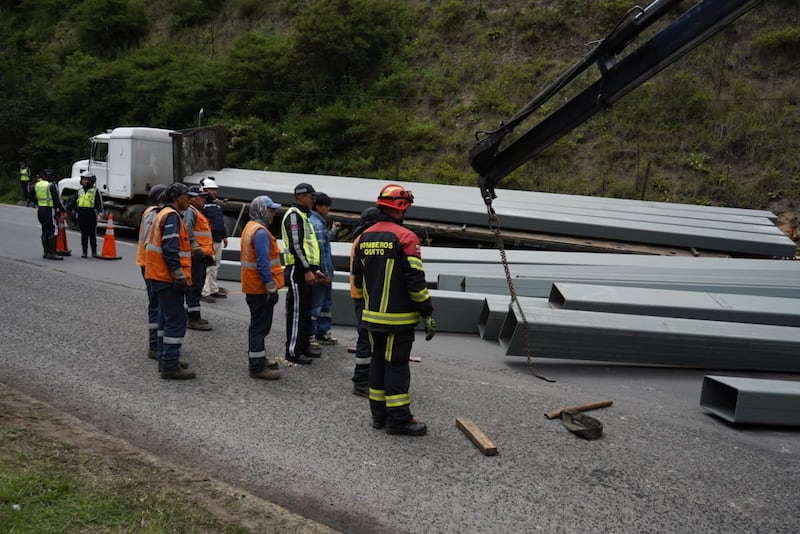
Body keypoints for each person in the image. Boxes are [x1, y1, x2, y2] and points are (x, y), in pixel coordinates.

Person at [352, 184, 436, 436]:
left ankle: (379, 417)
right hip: (398, 321)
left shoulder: (363, 238)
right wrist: (427, 312)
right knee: (397, 366)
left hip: (370, 317)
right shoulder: (407, 238)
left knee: (377, 363)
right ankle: (398, 420)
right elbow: (415, 282)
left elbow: (358, 279)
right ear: (401, 208)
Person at [144, 182, 195, 380]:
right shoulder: (172, 216)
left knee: (166, 317)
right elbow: (170, 248)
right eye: (187, 196)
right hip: (167, 277)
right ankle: (170, 365)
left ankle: (166, 359)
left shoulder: (164, 213)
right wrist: (179, 275)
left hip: (159, 276)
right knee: (176, 320)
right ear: (177, 198)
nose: (189, 200)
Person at [281, 182, 326, 365]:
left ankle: (303, 345)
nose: (313, 200)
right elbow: (296, 245)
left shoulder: (304, 216)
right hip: (298, 270)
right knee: (297, 312)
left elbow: (309, 247)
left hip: (306, 270)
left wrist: (315, 270)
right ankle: (293, 351)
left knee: (306, 312)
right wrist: (307, 269)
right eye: (311, 197)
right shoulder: (294, 215)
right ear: (301, 197)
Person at [241, 195, 285, 380]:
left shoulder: (250, 228)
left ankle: (258, 358)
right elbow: (263, 264)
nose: (273, 214)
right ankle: (257, 366)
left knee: (258, 325)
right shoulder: (260, 232)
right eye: (270, 210)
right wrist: (271, 287)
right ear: (261, 210)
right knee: (260, 326)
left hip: (253, 287)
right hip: (261, 288)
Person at [349, 206, 380, 397]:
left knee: (366, 337)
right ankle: (361, 381)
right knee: (365, 339)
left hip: (360, 295)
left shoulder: (359, 237)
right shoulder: (365, 239)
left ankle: (366, 378)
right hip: (364, 297)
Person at [136, 184, 169, 363]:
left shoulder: (155, 213)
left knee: (160, 306)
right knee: (156, 306)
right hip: (150, 266)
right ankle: (154, 345)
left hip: (152, 265)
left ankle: (159, 342)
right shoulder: (152, 214)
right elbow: (150, 244)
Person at [310, 192, 341, 345]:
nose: (328, 209)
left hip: (323, 271)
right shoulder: (316, 224)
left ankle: (321, 333)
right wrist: (324, 273)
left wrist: (333, 231)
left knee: (323, 305)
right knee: (317, 305)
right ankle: (312, 335)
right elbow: (320, 252)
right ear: (318, 206)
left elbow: (325, 242)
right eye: (326, 206)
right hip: (322, 273)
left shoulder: (318, 223)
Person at [183, 185, 215, 331]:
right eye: (201, 197)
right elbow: (187, 230)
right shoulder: (191, 212)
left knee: (197, 286)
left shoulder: (197, 212)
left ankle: (193, 315)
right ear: (193, 198)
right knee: (194, 287)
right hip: (195, 256)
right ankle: (193, 318)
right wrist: (196, 247)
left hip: (201, 255)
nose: (204, 200)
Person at [200, 177, 229, 302]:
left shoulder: (216, 205)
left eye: (214, 190)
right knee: (208, 266)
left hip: (217, 239)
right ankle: (205, 291)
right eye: (212, 189)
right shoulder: (203, 205)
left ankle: (213, 289)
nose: (214, 192)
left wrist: (224, 236)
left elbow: (220, 222)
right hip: (209, 240)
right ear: (205, 190)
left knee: (216, 265)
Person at [65, 171, 104, 258]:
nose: (83, 181)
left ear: (90, 181)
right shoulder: (80, 191)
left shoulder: (95, 191)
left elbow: (99, 204)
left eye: (85, 179)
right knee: (84, 234)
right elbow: (73, 201)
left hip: (91, 214)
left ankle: (94, 252)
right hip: (81, 214)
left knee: (92, 234)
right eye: (82, 179)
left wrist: (100, 213)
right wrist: (66, 209)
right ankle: (84, 252)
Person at [32, 168, 66, 261]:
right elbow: (57, 200)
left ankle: (45, 252)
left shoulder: (37, 185)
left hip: (40, 210)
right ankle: (52, 253)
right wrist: (63, 209)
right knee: (53, 231)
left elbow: (29, 195)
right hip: (50, 210)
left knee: (44, 231)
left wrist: (37, 202)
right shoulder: (51, 185)